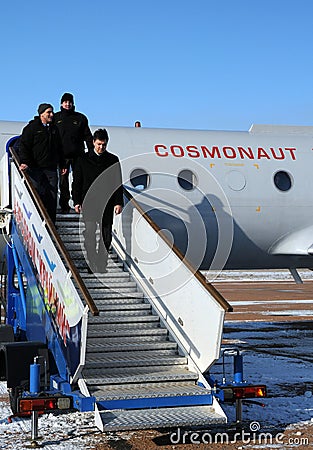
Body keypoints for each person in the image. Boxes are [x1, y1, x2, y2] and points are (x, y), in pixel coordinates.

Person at [72, 128, 123, 273]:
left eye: (104, 145)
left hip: (106, 203)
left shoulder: (113, 160)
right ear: (93, 142)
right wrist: (76, 201)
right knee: (89, 234)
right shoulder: (82, 160)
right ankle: (92, 263)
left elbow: (117, 182)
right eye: (99, 144)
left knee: (106, 237)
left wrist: (118, 202)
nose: (101, 147)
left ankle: (101, 264)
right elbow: (77, 182)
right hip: (89, 202)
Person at [19, 103, 67, 224]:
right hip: (35, 168)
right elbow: (24, 146)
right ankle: (37, 222)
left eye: (52, 112)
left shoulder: (54, 129)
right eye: (48, 112)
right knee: (36, 195)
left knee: (51, 196)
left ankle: (51, 223)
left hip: (50, 168)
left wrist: (62, 164)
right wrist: (25, 162)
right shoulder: (31, 128)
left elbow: (59, 148)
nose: (51, 114)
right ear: (41, 114)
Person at [54, 93, 93, 213]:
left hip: (78, 155)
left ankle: (79, 203)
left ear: (73, 103)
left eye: (69, 102)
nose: (67, 104)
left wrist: (91, 151)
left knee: (78, 180)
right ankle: (64, 205)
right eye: (65, 102)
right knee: (63, 182)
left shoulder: (80, 118)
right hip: (62, 156)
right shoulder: (56, 118)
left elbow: (87, 135)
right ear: (61, 103)